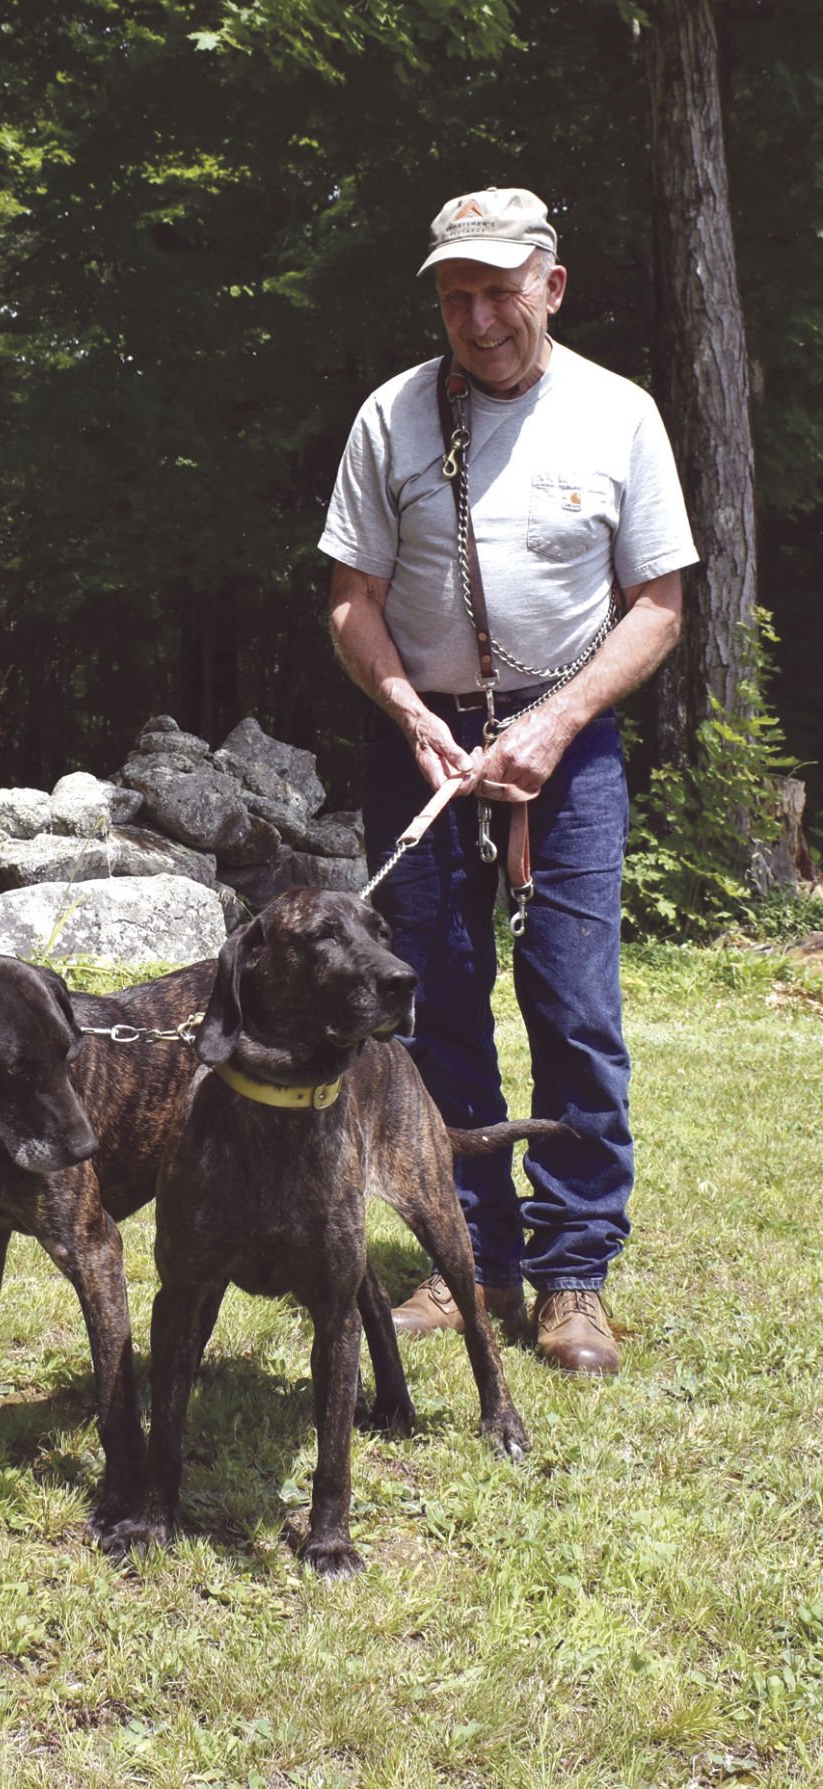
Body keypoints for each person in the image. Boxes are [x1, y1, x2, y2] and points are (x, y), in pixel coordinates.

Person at [319, 186, 698, 1375]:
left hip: (565, 752)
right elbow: (350, 602)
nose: (477, 317)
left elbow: (658, 608)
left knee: (574, 1007)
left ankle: (572, 1272)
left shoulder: (617, 414)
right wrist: (408, 714)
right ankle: (470, 1254)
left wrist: (555, 723)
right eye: (454, 294)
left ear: (551, 283)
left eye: (497, 289)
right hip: (421, 744)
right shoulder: (390, 417)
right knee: (429, 1008)